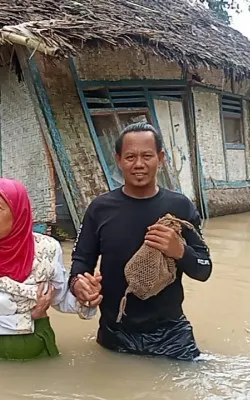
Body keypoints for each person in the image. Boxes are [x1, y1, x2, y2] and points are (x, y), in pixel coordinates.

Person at [68, 122, 213, 361]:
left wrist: (180, 251)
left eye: (147, 156)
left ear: (161, 157)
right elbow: (81, 262)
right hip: (115, 335)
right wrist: (78, 285)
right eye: (130, 156)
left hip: (172, 337)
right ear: (118, 159)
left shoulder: (180, 207)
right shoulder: (100, 209)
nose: (138, 164)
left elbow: (204, 269)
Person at [0, 178, 98, 361]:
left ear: (18, 213)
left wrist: (85, 297)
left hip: (40, 344)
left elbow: (60, 299)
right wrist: (29, 318)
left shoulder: (47, 248)